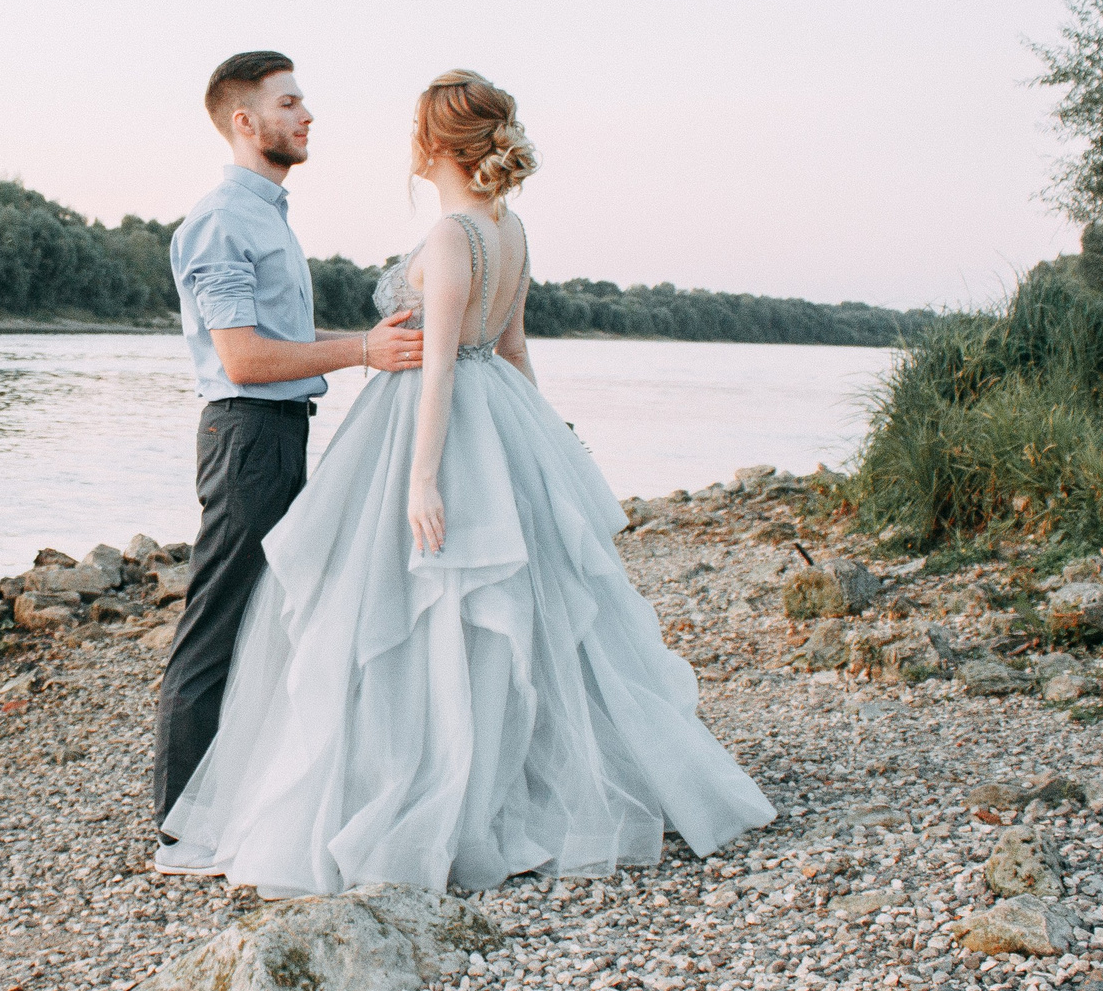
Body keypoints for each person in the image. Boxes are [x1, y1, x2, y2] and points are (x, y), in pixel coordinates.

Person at [156, 69, 775, 897]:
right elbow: (512, 350)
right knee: (490, 612)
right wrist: (547, 437)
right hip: (485, 421)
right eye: (289, 102)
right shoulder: (506, 230)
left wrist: (421, 477)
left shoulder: (453, 235)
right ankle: (199, 803)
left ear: (433, 144)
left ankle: (416, 781)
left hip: (433, 426)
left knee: (412, 610)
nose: (309, 113)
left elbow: (443, 360)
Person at [153, 51, 423, 829]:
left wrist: (377, 340)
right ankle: (178, 826)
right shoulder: (221, 220)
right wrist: (363, 351)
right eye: (289, 102)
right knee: (218, 629)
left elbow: (283, 342)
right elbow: (243, 358)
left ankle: (239, 804)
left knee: (277, 620)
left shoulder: (266, 214)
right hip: (246, 437)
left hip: (275, 433)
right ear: (246, 121)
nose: (307, 116)